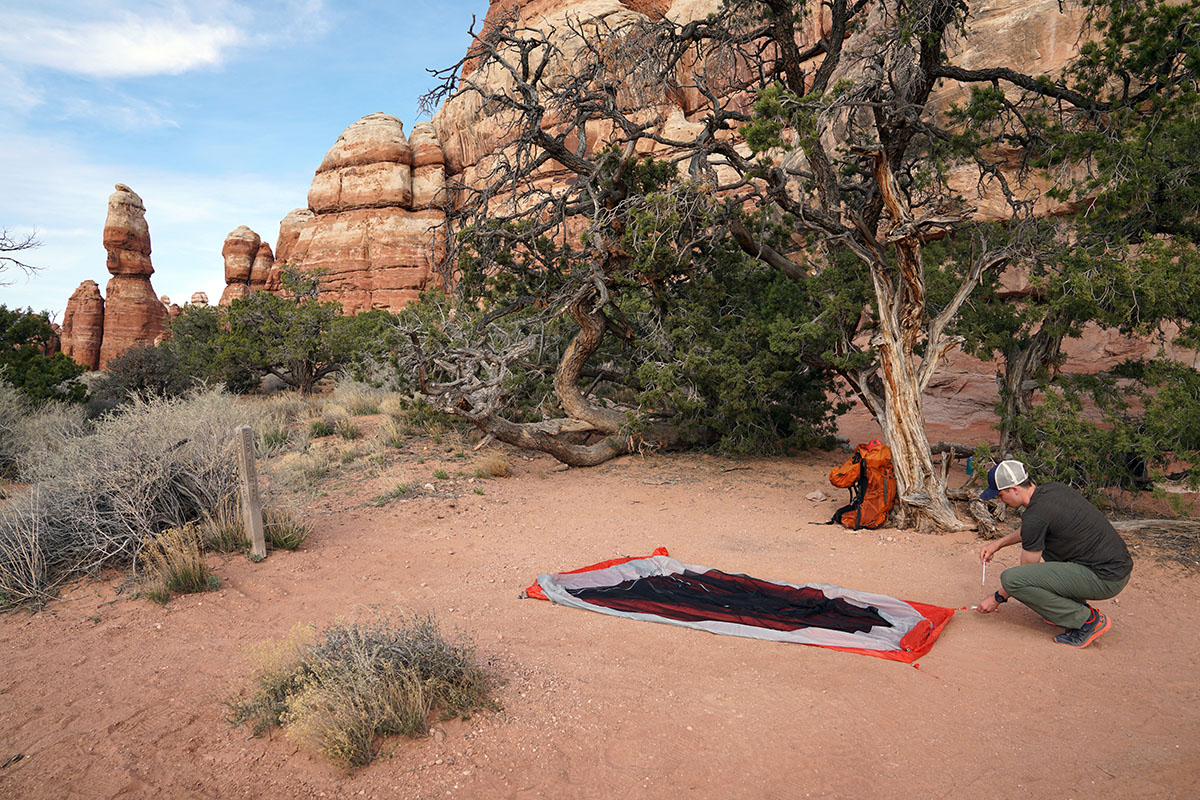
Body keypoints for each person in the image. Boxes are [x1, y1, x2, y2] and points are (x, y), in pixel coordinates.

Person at [975, 460, 1133, 648]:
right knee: (1048, 549)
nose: (1000, 501)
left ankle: (1087, 621)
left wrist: (998, 597)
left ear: (1014, 489)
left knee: (1012, 579)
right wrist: (998, 544)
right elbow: (1032, 529)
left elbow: (1027, 572)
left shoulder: (1035, 515)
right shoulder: (1052, 490)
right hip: (1116, 567)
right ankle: (1067, 608)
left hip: (1106, 578)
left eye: (1000, 495)